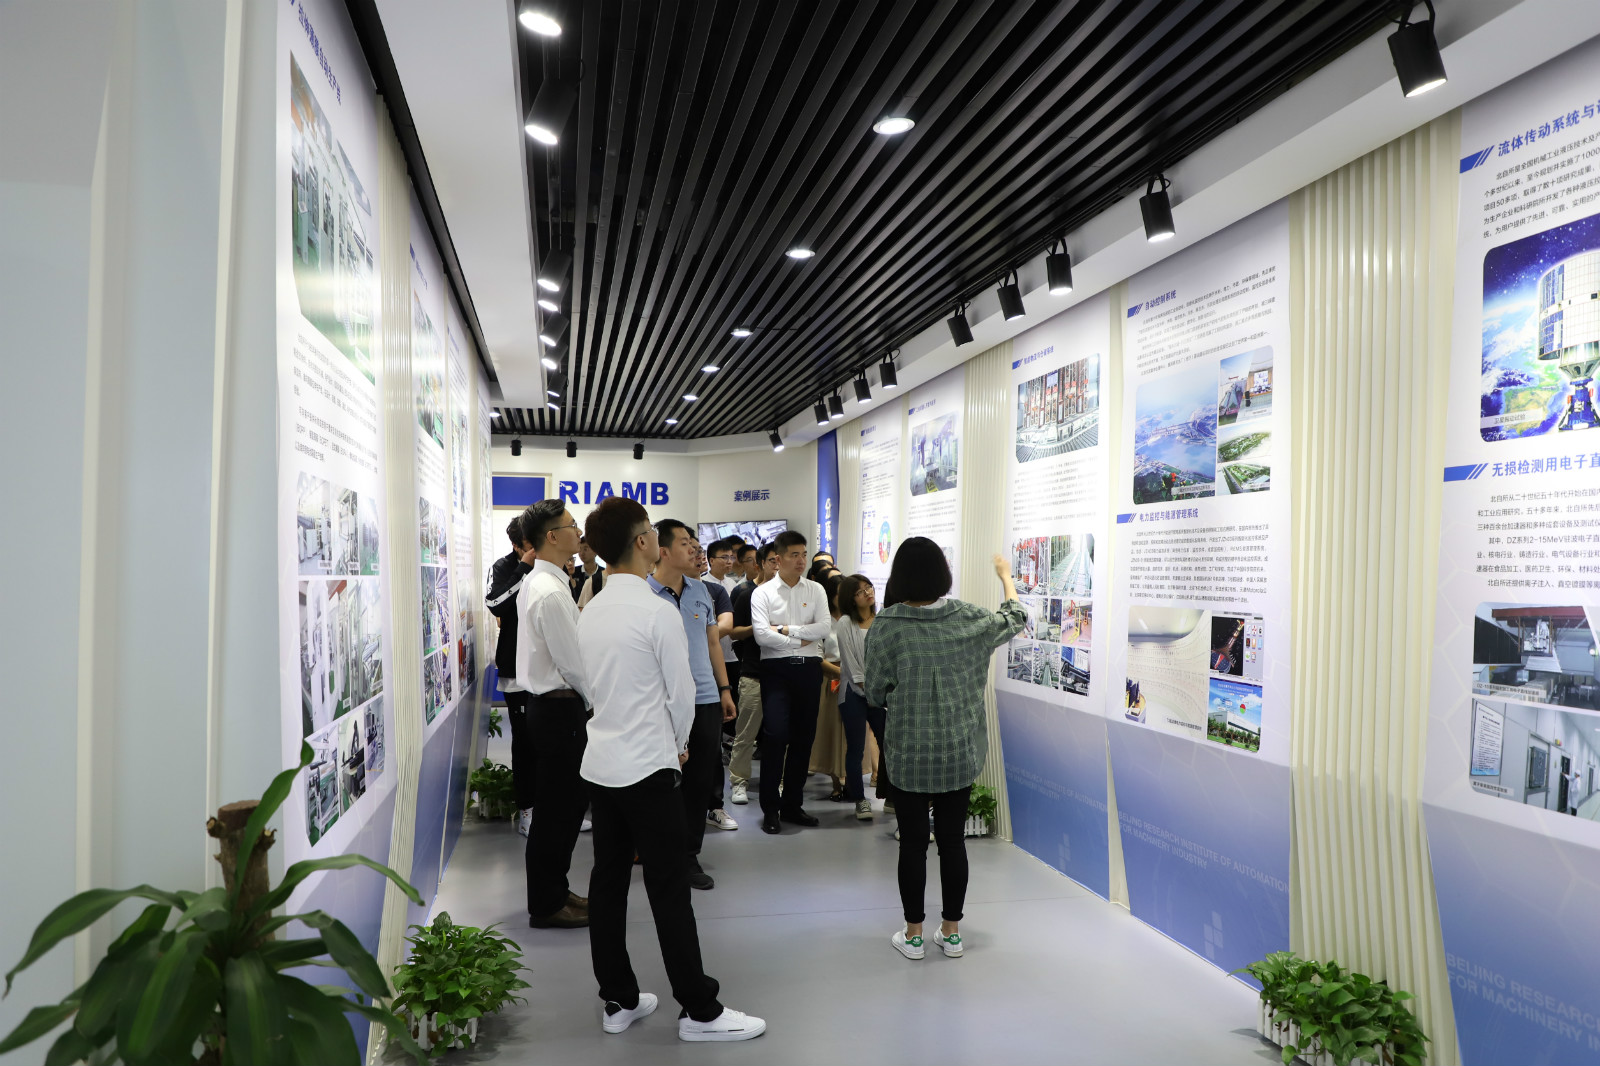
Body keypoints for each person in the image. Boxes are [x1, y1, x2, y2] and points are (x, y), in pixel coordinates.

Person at [576, 497, 765, 1042]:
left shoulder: (591, 609)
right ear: (643, 543)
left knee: (608, 881)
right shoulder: (656, 611)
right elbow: (681, 696)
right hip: (648, 765)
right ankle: (700, 1010)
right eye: (653, 533)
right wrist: (679, 744)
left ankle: (618, 998)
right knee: (668, 886)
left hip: (602, 763)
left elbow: (588, 686)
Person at [865, 539, 1025, 961]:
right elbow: (1015, 616)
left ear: (899, 576)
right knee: (953, 842)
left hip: (909, 751)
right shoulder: (969, 618)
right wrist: (1005, 577)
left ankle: (913, 935)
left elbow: (875, 691)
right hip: (958, 750)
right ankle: (952, 933)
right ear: (943, 573)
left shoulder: (887, 625)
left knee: (913, 844)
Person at [512, 500, 593, 929]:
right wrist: (597, 705)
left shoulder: (546, 582)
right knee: (558, 812)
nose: (578, 531)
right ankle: (547, 904)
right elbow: (574, 663)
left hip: (553, 708)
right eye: (571, 525)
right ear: (551, 536)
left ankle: (556, 891)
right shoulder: (549, 591)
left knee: (561, 809)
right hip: (560, 709)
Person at [649, 520, 740, 887]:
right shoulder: (644, 593)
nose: (694, 550)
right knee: (661, 781)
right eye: (685, 543)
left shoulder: (701, 590)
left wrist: (724, 689)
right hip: (662, 702)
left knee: (699, 782)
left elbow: (713, 642)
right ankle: (656, 850)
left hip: (704, 699)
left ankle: (688, 856)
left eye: (694, 543)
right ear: (663, 551)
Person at [751, 530, 833, 834]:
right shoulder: (763, 593)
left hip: (809, 670)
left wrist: (785, 630)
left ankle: (792, 805)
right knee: (775, 736)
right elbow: (762, 636)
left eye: (804, 554)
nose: (801, 561)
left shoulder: (816, 589)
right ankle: (770, 809)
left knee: (803, 737)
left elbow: (823, 627)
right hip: (776, 671)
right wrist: (800, 640)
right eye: (794, 555)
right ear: (778, 559)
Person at [486, 516, 536, 833]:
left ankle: (554, 807)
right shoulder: (505, 567)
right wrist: (524, 569)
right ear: (518, 546)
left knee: (552, 740)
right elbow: (495, 604)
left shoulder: (552, 565)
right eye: (531, 544)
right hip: (516, 668)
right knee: (525, 741)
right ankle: (527, 809)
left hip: (548, 668)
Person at [693, 536, 739, 832]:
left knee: (711, 748)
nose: (696, 555)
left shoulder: (713, 590)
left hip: (710, 677)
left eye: (698, 550)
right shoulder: (655, 589)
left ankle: (714, 806)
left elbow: (724, 627)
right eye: (690, 549)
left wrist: (724, 689)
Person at [727, 543, 778, 805]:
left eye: (781, 561)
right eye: (773, 561)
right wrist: (759, 628)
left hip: (782, 674)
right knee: (746, 733)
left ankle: (778, 781)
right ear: (761, 563)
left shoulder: (791, 597)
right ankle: (739, 781)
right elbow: (734, 633)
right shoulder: (748, 595)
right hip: (753, 673)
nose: (777, 566)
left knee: (780, 735)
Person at [833, 573, 880, 820]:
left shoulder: (882, 620)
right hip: (853, 692)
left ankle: (893, 796)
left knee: (889, 743)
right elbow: (851, 668)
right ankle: (860, 799)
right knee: (856, 748)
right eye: (860, 591)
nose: (867, 593)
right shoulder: (845, 623)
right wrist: (868, 689)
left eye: (868, 587)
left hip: (880, 692)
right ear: (851, 599)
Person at [809, 574, 849, 802]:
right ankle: (836, 782)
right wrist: (840, 673)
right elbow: (817, 656)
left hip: (854, 679)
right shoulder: (822, 621)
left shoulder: (854, 618)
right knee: (832, 732)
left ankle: (852, 781)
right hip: (830, 679)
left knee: (852, 734)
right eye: (839, 594)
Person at [578, 536, 608, 609]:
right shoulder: (574, 572)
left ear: (595, 551)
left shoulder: (604, 574)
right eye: (579, 549)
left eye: (585, 549)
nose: (582, 553)